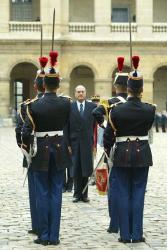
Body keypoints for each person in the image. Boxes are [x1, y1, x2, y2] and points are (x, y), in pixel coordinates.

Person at [104, 56, 156, 243]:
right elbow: (148, 129)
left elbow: (108, 136)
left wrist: (108, 152)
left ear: (127, 89)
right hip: (142, 152)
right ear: (141, 90)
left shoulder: (116, 110)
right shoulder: (150, 110)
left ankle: (125, 235)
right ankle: (137, 232)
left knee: (123, 193)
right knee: (138, 194)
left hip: (122, 153)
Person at [22, 51, 71, 246]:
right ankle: (54, 235)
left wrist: (29, 149)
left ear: (42, 85)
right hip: (59, 149)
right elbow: (68, 124)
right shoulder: (66, 104)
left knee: (41, 192)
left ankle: (43, 235)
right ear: (58, 84)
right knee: (56, 192)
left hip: (41, 150)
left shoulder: (33, 106)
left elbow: (26, 133)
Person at [93, 57, 128, 234]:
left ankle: (114, 223)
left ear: (115, 87)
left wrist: (105, 125)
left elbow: (95, 111)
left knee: (114, 186)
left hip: (114, 148)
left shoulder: (110, 102)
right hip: (133, 148)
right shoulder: (134, 102)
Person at [15, 56, 47, 236]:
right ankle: (49, 226)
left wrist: (25, 149)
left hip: (33, 154)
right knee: (52, 191)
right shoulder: (63, 104)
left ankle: (37, 225)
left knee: (35, 192)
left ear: (35, 86)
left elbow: (20, 131)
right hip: (55, 152)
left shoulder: (27, 106)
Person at [65, 85, 96, 203]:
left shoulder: (92, 107)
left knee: (86, 169)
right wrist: (67, 144)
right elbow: (66, 127)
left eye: (82, 91)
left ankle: (85, 194)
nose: (81, 94)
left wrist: (94, 143)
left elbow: (95, 126)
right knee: (76, 169)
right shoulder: (70, 107)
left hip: (87, 143)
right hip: (74, 143)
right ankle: (76, 194)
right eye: (78, 92)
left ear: (85, 93)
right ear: (75, 93)